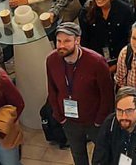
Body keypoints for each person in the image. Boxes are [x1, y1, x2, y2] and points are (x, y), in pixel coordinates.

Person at [47, 22, 114, 165]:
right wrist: (60, 117)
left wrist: (99, 120)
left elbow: (107, 95)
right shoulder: (51, 60)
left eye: (67, 41)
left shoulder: (96, 62)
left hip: (94, 122)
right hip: (69, 121)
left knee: (105, 153)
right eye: (59, 41)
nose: (61, 45)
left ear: (77, 40)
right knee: (78, 156)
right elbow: (52, 90)